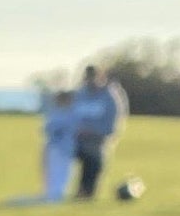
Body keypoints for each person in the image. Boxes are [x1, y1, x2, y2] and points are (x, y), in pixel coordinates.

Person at [71, 63, 128, 199]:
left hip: (98, 139)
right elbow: (70, 115)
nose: (90, 81)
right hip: (76, 138)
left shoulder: (110, 96)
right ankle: (56, 190)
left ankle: (86, 191)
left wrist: (94, 131)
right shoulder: (80, 94)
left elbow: (113, 123)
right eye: (87, 78)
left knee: (93, 157)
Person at [41, 87, 76, 201]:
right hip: (54, 147)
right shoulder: (57, 113)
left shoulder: (70, 114)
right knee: (52, 171)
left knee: (62, 171)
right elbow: (48, 129)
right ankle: (52, 194)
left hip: (64, 148)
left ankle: (57, 194)